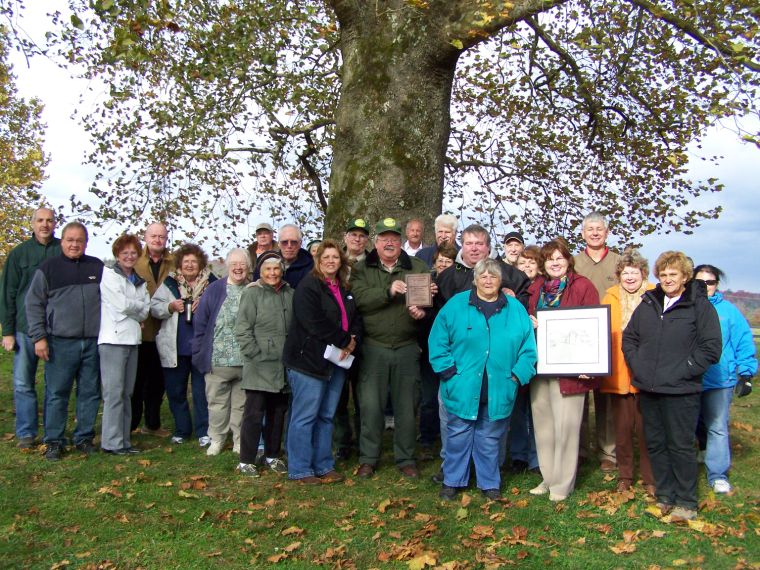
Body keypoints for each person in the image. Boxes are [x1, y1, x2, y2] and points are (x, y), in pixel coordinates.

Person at [623, 251, 721, 522]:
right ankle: (665, 495)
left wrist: (685, 370)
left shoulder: (698, 306)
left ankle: (686, 501)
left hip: (681, 390)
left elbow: (711, 348)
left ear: (685, 277)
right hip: (650, 388)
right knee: (655, 443)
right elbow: (630, 338)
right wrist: (638, 365)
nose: (667, 279)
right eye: (663, 274)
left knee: (679, 446)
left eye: (673, 274)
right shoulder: (650, 303)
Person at [429, 259, 537, 501]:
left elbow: (528, 349)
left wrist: (518, 376)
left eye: (493, 276)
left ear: (501, 281)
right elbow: (437, 341)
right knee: (458, 433)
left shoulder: (515, 309)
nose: (488, 280)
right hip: (462, 384)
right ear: (475, 279)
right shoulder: (456, 305)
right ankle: (452, 480)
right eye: (483, 276)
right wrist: (448, 371)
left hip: (499, 386)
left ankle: (490, 483)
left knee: (490, 437)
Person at [351, 217, 432, 478]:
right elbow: (360, 300)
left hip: (407, 347)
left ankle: (406, 458)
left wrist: (424, 308)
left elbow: (429, 303)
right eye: (384, 239)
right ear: (376, 243)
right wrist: (388, 290)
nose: (389, 243)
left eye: (395, 239)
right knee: (371, 406)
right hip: (374, 347)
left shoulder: (417, 266)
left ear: (402, 243)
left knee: (407, 406)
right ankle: (368, 458)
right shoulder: (363, 268)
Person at [283, 240, 363, 484]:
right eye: (326, 257)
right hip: (308, 360)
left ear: (341, 261)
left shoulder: (344, 287)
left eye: (335, 257)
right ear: (318, 260)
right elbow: (313, 321)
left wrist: (353, 340)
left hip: (337, 361)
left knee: (327, 415)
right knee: (305, 416)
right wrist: (343, 340)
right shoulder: (309, 286)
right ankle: (300, 468)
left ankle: (323, 464)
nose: (331, 261)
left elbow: (355, 317)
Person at [527, 239, 599, 501]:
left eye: (560, 257)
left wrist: (588, 365)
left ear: (568, 260)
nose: (555, 262)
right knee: (544, 425)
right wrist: (530, 322)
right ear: (543, 264)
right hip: (540, 367)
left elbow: (592, 327)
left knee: (566, 427)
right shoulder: (536, 289)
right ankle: (548, 477)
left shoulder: (582, 286)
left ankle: (562, 484)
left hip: (570, 371)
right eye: (549, 259)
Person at [25, 221, 104, 460]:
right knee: (57, 393)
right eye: (70, 240)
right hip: (60, 341)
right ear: (62, 241)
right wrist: (39, 337)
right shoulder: (48, 268)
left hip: (92, 341)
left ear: (86, 242)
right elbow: (34, 303)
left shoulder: (97, 267)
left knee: (89, 393)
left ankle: (84, 438)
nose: (74, 244)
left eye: (79, 240)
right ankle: (54, 441)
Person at [693, 264, 757, 494]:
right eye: (700, 282)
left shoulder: (729, 312)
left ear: (716, 285)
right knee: (693, 424)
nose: (705, 287)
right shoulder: (685, 306)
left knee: (717, 426)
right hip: (689, 378)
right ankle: (696, 456)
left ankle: (717, 473)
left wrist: (746, 372)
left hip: (719, 379)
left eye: (709, 282)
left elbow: (742, 341)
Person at [0, 207, 60, 448]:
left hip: (55, 329)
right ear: (33, 224)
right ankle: (26, 431)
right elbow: (8, 294)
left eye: (49, 221)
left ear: (55, 224)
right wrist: (7, 331)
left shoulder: (61, 251)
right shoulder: (19, 254)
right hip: (25, 329)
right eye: (40, 220)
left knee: (54, 384)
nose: (45, 225)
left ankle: (52, 431)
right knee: (23, 382)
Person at [151, 243, 218, 447]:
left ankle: (203, 431)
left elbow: (222, 308)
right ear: (180, 264)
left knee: (202, 392)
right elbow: (154, 307)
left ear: (201, 264)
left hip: (201, 347)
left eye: (194, 261)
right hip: (175, 347)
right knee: (176, 391)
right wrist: (170, 306)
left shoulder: (212, 283)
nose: (190, 265)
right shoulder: (170, 283)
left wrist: (205, 304)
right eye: (186, 261)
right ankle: (182, 430)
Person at [600, 249, 655, 494]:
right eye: (625, 272)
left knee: (647, 429)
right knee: (621, 430)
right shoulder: (609, 296)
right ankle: (625, 475)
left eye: (635, 272)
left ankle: (651, 477)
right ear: (619, 275)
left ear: (643, 273)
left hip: (647, 373)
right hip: (619, 372)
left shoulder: (655, 295)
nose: (630, 277)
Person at [235, 251, 293, 476]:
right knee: (254, 413)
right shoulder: (253, 294)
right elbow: (242, 328)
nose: (272, 273)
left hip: (281, 364)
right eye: (267, 269)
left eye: (276, 268)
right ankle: (246, 459)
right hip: (259, 363)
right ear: (260, 271)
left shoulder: (289, 293)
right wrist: (254, 354)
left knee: (277, 413)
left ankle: (272, 455)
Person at [192, 248, 250, 456]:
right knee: (217, 404)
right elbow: (201, 324)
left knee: (241, 406)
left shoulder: (253, 289)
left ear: (248, 266)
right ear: (227, 266)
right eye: (234, 263)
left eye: (242, 263)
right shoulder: (215, 289)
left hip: (245, 361)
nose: (238, 267)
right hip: (217, 359)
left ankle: (239, 441)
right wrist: (199, 353)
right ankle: (216, 439)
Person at [574, 212, 620, 472]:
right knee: (579, 397)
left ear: (606, 233)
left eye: (599, 229)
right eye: (590, 229)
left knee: (606, 399)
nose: (594, 233)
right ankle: (579, 450)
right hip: (579, 337)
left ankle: (608, 453)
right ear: (583, 233)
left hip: (609, 337)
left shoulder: (617, 261)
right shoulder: (574, 262)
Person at [98, 234, 150, 455]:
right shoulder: (109, 276)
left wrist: (136, 308)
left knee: (127, 392)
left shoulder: (139, 280)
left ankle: (124, 439)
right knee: (114, 393)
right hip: (113, 340)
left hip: (132, 340)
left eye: (133, 253)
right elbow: (121, 304)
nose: (129, 256)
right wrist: (136, 307)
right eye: (124, 253)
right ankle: (111, 441)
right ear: (117, 255)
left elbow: (146, 308)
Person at [334, 217, 372, 460]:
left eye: (362, 235)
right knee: (338, 394)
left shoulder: (372, 263)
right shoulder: (336, 263)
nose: (357, 239)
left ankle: (363, 442)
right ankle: (341, 443)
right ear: (345, 237)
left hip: (366, 337)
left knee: (363, 396)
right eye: (353, 234)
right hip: (339, 338)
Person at [132, 222, 174, 437]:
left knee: (158, 382)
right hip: (140, 330)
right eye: (154, 236)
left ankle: (153, 423)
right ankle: (131, 424)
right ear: (146, 237)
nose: (158, 240)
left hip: (165, 330)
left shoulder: (173, 262)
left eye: (162, 237)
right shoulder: (136, 261)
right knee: (137, 381)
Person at [436, 224, 530, 309]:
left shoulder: (512, 275)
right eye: (469, 243)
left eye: (479, 244)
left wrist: (513, 300)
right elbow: (437, 315)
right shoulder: (446, 278)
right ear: (462, 246)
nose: (474, 248)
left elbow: (526, 306)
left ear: (488, 246)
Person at [253, 224, 313, 288]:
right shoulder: (264, 264)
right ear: (279, 243)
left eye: (293, 242)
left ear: (300, 243)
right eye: (284, 242)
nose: (289, 246)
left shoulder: (312, 268)